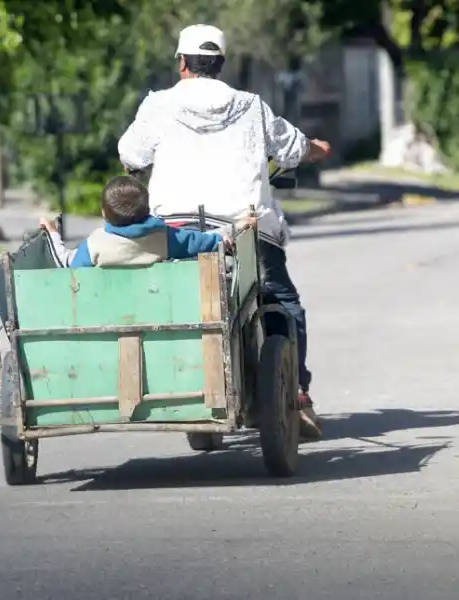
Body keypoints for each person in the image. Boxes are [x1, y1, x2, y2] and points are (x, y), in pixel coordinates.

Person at [117, 24, 331, 438]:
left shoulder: (158, 106)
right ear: (221, 64)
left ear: (182, 64)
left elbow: (130, 153)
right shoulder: (251, 106)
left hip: (176, 233)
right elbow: (292, 148)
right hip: (244, 230)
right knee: (283, 303)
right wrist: (315, 150)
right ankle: (298, 394)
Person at [38, 175, 251, 267]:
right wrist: (237, 227)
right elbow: (208, 241)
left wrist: (53, 232)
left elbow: (65, 262)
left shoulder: (95, 244)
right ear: (147, 209)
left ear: (104, 213)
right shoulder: (165, 237)